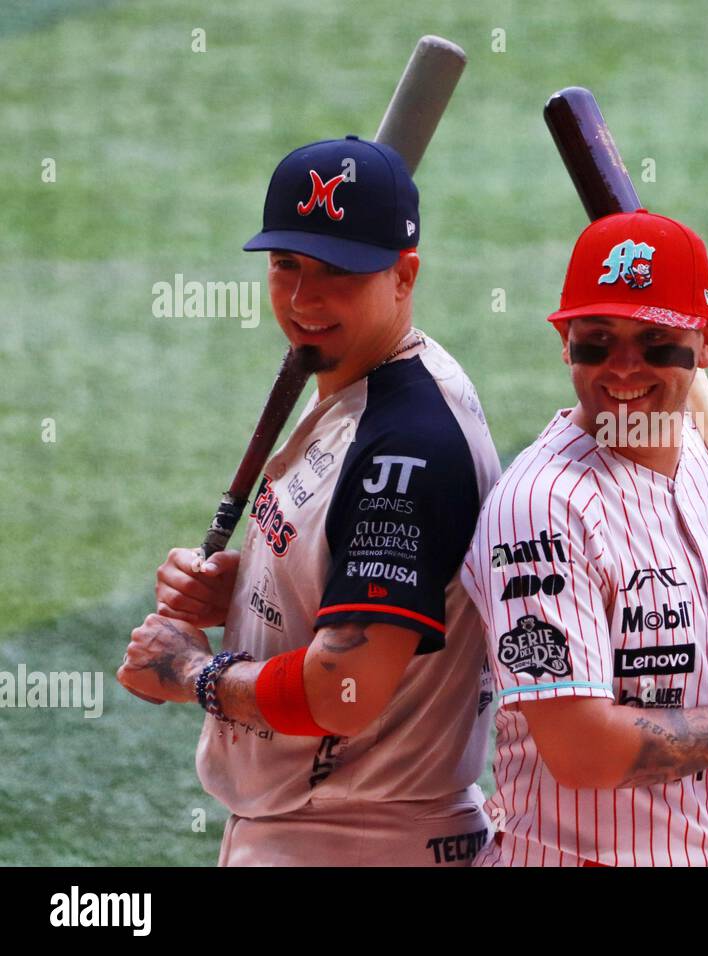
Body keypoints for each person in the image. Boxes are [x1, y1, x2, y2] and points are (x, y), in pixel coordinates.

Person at [117, 136, 501, 866]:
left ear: (404, 275)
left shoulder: (404, 445)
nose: (303, 300)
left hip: (357, 839)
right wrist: (250, 594)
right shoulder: (357, 382)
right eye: (285, 265)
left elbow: (346, 688)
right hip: (329, 828)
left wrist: (190, 673)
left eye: (337, 273)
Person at [460, 208, 708, 866]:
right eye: (597, 337)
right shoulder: (542, 508)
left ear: (707, 342)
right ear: (563, 339)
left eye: (654, 338)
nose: (623, 367)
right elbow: (581, 751)